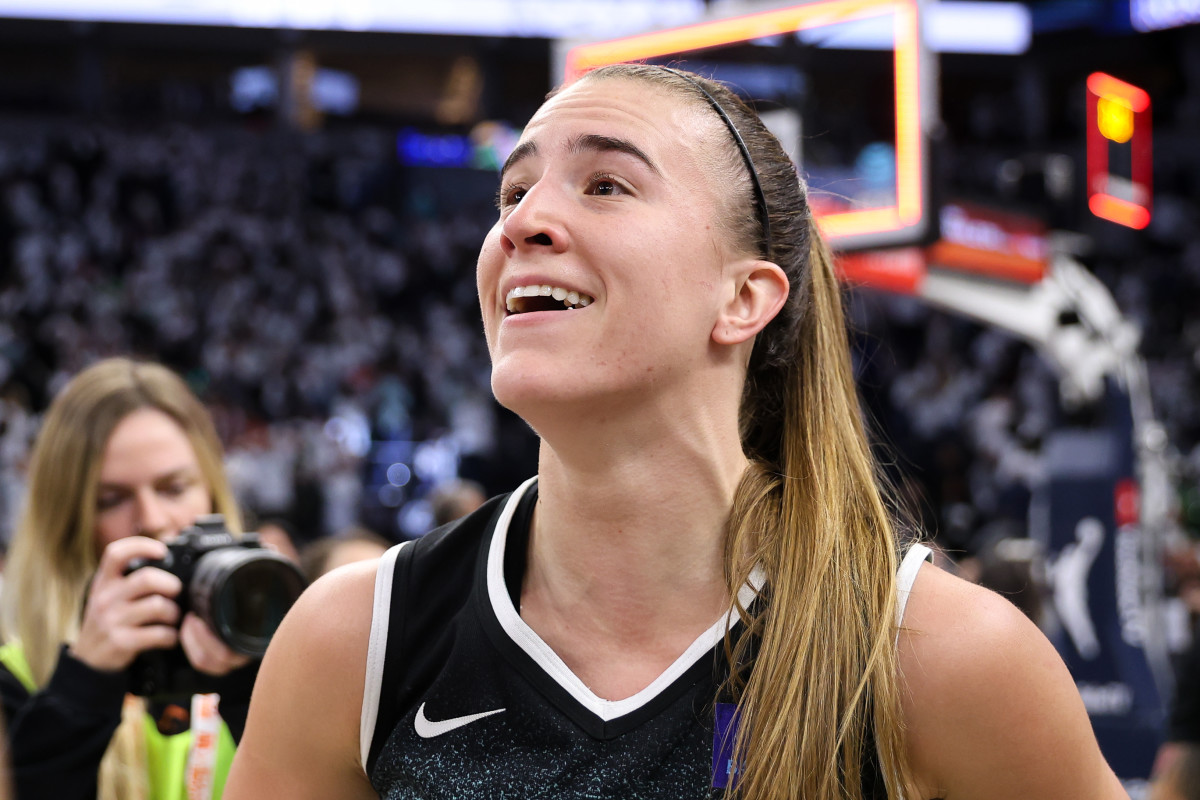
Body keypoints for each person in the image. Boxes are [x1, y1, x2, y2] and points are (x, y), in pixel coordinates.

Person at [226, 64, 1126, 799]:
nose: (521, 222)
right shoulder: (357, 640)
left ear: (743, 299)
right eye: (512, 191)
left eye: (605, 184)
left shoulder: (942, 656)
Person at [0, 357, 256, 800]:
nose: (152, 520)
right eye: (110, 499)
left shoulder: (270, 641)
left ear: (212, 488)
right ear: (66, 519)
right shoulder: (18, 675)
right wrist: (82, 689)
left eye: (174, 488)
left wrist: (252, 687)